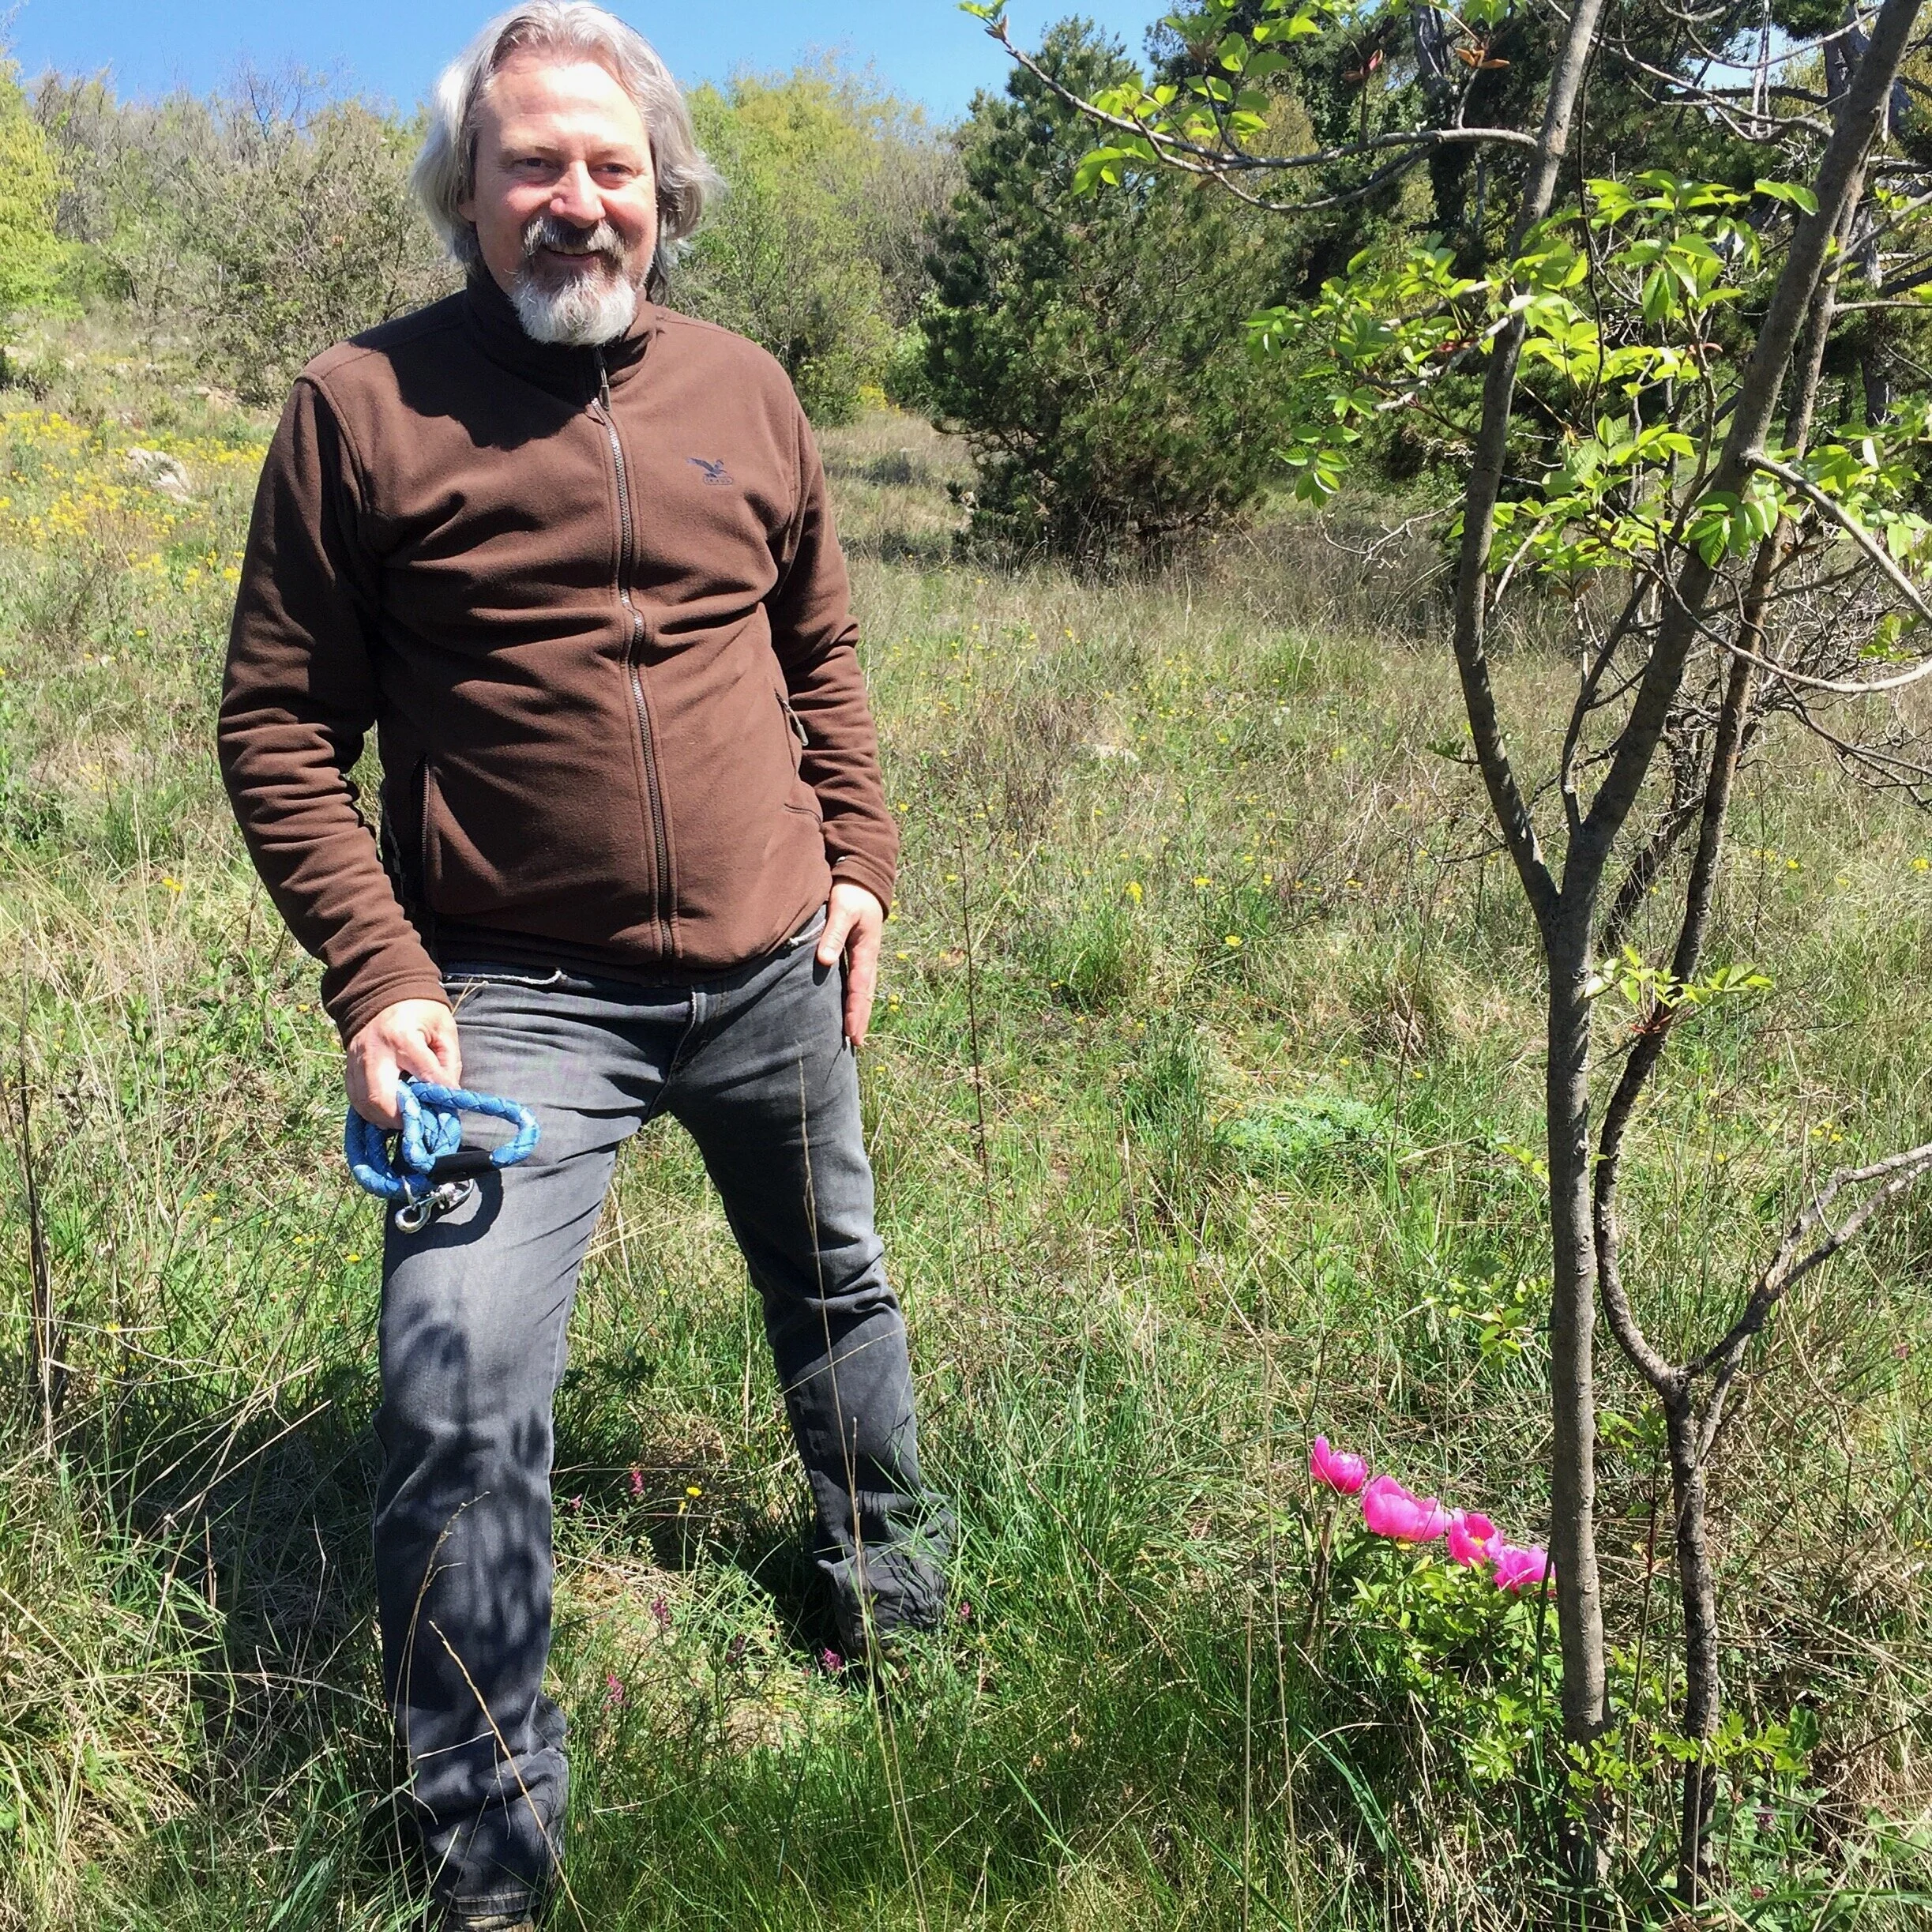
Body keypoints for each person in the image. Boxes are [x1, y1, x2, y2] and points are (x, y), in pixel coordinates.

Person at [217, 6, 952, 1924]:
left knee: (837, 1282)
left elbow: (820, 653)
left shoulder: (748, 385)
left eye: (609, 165)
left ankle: (893, 1601)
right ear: (466, 192)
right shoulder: (360, 406)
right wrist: (376, 971)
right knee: (454, 1384)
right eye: (533, 163)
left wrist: (859, 861)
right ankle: (485, 1847)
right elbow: (279, 723)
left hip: (775, 965)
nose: (575, 198)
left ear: (664, 190)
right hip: (510, 996)